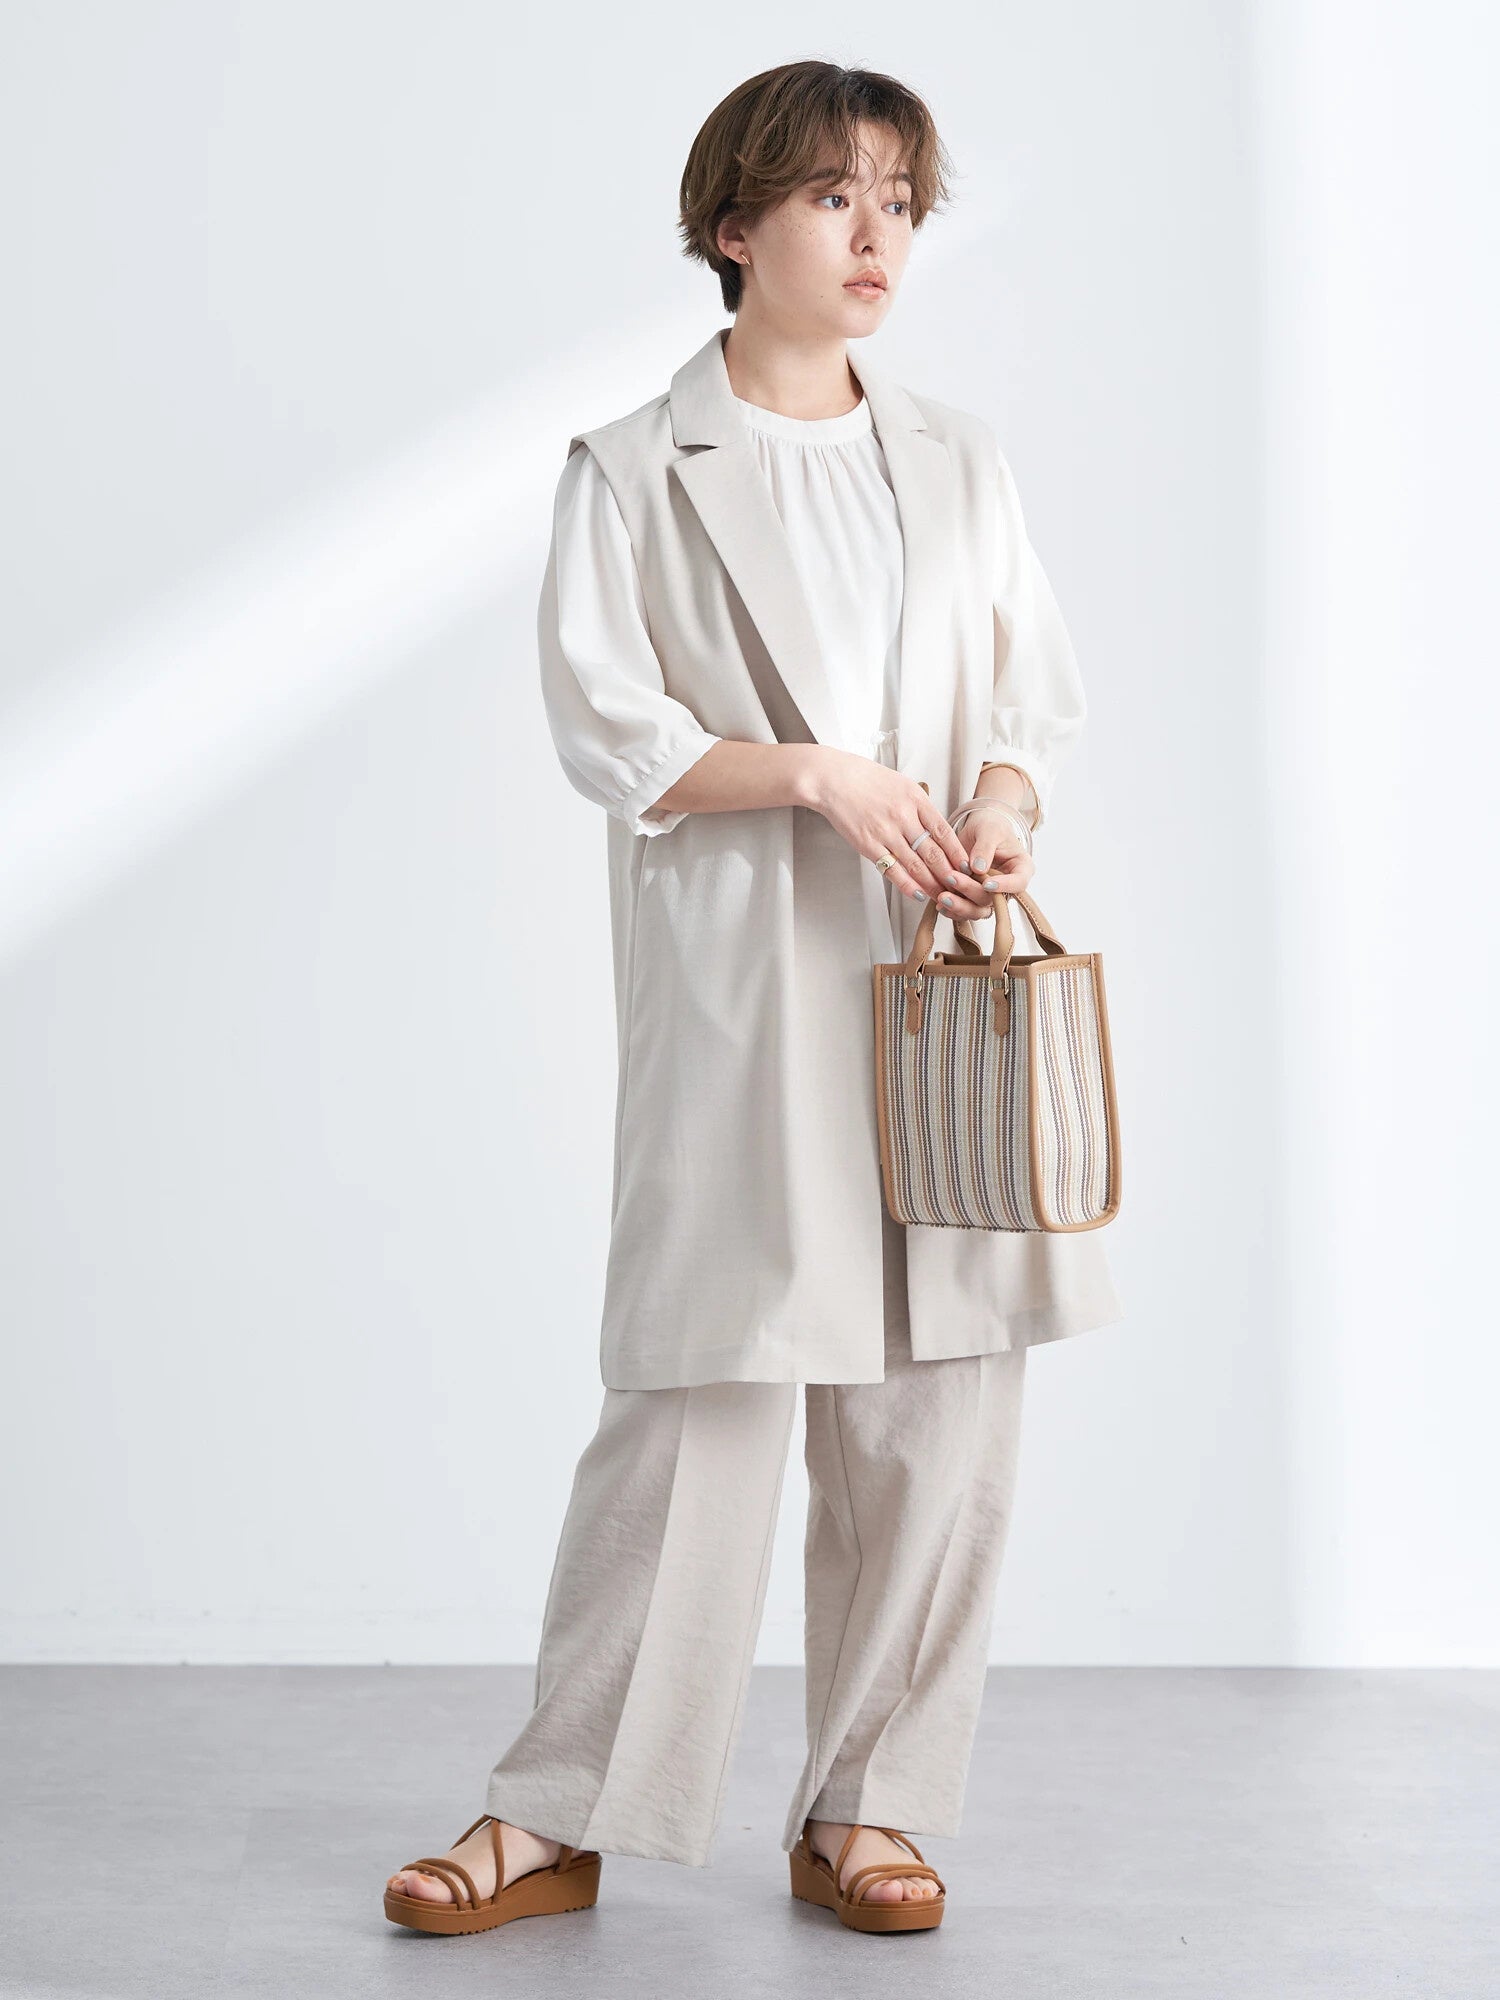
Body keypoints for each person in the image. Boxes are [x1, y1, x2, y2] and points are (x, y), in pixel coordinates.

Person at [384, 58, 1123, 1940]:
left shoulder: (956, 460)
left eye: (900, 203)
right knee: (703, 1392)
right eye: (831, 198)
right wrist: (814, 776)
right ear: (733, 226)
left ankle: (870, 1807)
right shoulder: (635, 467)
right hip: (750, 978)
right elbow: (609, 730)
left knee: (941, 1395)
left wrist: (1001, 809)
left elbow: (1029, 694)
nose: (877, 237)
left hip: (944, 979)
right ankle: (557, 1811)